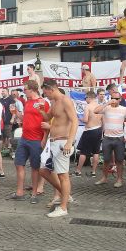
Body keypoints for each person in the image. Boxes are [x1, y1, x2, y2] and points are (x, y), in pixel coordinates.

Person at [40, 80, 78, 217]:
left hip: (63, 141)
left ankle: (63, 207)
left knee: (63, 175)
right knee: (43, 171)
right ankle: (65, 195)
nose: (45, 95)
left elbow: (75, 120)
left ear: (51, 89)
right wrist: (41, 110)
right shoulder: (54, 102)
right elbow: (48, 117)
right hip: (54, 142)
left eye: (45, 92)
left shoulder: (65, 100)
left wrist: (69, 141)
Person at [8, 81, 49, 202]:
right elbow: (25, 118)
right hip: (24, 138)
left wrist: (44, 138)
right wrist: (16, 113)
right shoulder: (28, 102)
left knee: (35, 167)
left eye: (25, 89)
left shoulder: (43, 102)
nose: (23, 91)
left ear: (32, 89)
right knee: (19, 164)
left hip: (36, 140)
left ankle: (34, 194)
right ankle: (19, 192)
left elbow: (48, 120)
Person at [97, 89, 126, 187]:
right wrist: (107, 103)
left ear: (120, 99)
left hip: (119, 138)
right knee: (106, 159)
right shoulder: (106, 108)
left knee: (119, 160)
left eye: (116, 98)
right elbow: (96, 111)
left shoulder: (124, 109)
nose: (114, 100)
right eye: (112, 98)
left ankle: (119, 179)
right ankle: (104, 178)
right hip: (107, 138)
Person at [74, 91, 103, 177]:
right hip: (98, 129)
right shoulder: (100, 107)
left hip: (90, 130)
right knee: (96, 152)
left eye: (85, 98)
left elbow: (86, 120)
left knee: (83, 152)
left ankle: (78, 171)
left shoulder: (88, 107)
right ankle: (93, 172)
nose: (85, 100)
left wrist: (79, 119)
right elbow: (103, 120)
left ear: (89, 97)